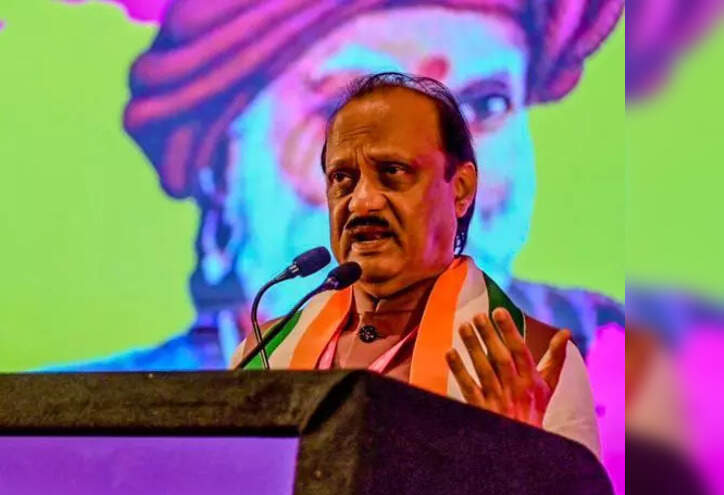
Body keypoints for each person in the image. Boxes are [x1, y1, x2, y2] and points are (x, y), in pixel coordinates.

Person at [60, 0, 623, 372]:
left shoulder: (607, 370)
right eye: (349, 115)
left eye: (483, 106)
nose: (421, 174)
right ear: (223, 166)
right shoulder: (104, 428)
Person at [230, 73, 599, 454]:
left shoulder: (535, 365)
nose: (361, 201)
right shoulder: (264, 355)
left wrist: (521, 453)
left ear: (461, 189)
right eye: (342, 178)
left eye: (393, 172)